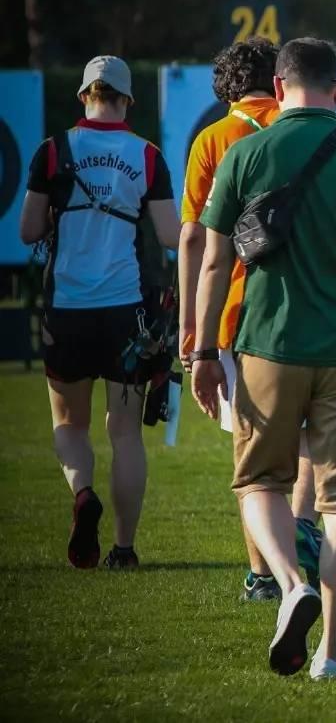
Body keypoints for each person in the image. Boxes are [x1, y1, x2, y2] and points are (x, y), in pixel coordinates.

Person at [190, 37, 336, 680]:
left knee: (260, 482)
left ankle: (291, 584)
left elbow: (213, 261)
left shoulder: (241, 152)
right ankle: (333, 654)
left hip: (267, 346)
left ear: (281, 84)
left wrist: (204, 350)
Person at [18, 56, 180, 569]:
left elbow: (26, 230)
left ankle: (83, 493)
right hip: (126, 312)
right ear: (127, 101)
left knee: (69, 425)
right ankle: (125, 548)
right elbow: (171, 236)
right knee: (126, 432)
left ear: (84, 95)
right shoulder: (147, 155)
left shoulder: (53, 151)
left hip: (67, 309)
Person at [177, 37, 322, 603]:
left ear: (226, 88)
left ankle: (264, 576)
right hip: (311, 305)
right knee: (309, 434)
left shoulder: (215, 139)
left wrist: (194, 328)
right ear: (280, 80)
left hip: (238, 315)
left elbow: (193, 238)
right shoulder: (310, 133)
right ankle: (305, 523)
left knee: (253, 452)